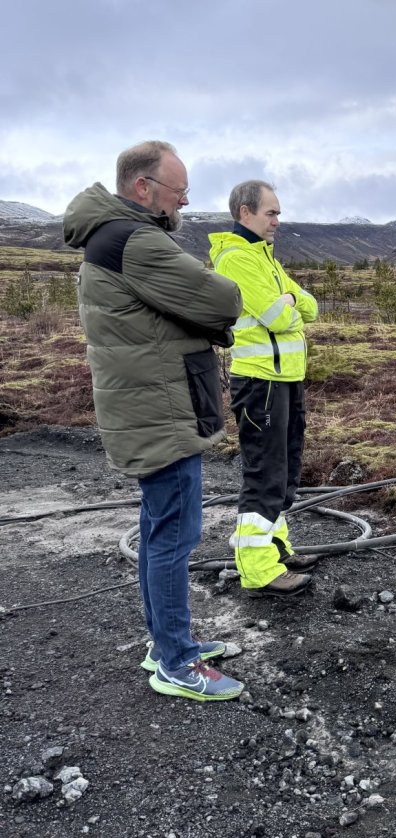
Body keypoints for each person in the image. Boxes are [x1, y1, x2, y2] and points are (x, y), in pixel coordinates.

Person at [63, 141, 246, 700]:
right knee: (173, 535)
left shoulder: (111, 235)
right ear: (144, 188)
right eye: (179, 191)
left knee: (156, 529)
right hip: (159, 409)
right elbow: (224, 298)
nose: (185, 202)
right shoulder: (134, 240)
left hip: (148, 404)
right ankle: (176, 661)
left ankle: (165, 641)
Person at [208, 181, 319, 597]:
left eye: (277, 213)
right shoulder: (238, 259)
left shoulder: (264, 257)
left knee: (286, 469)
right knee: (265, 473)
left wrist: (289, 297)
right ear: (245, 213)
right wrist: (288, 301)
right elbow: (277, 316)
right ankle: (257, 569)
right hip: (260, 382)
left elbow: (309, 305)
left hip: (285, 378)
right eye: (271, 213)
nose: (277, 220)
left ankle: (274, 548)